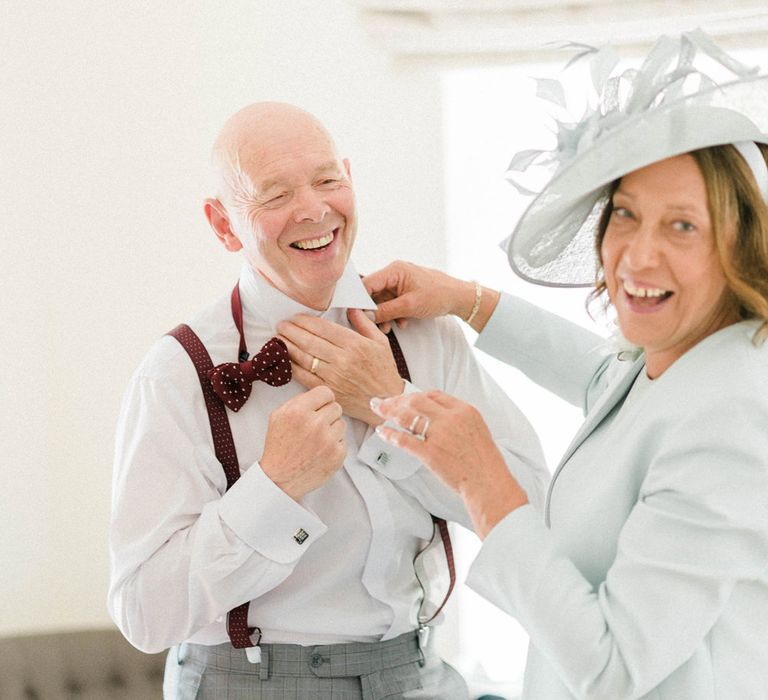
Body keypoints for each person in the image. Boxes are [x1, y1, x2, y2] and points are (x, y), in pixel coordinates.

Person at [359, 32, 768, 699]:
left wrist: (483, 480)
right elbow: (602, 375)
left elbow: (612, 669)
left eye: (682, 226)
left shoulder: (731, 415)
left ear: (741, 243)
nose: (636, 256)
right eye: (626, 215)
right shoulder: (688, 357)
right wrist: (470, 300)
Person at [107, 101, 547, 699]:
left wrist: (396, 407)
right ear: (223, 224)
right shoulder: (178, 374)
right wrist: (275, 488)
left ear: (350, 178)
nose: (314, 210)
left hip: (420, 677)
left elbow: (533, 512)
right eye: (274, 195)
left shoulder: (427, 335)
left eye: (327, 181)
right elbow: (143, 613)